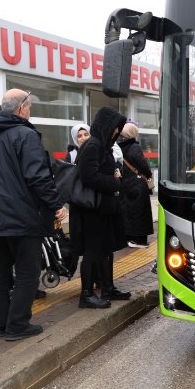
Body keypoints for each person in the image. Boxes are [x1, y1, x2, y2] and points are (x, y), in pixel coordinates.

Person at [0, 89, 66, 341]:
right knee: (27, 272)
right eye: (29, 107)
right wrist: (56, 204)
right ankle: (18, 324)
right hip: (21, 218)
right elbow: (38, 177)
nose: (30, 111)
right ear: (21, 108)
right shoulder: (25, 135)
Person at [72, 107, 128, 308]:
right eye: (115, 127)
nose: (117, 131)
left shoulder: (101, 145)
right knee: (93, 250)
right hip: (93, 209)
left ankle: (107, 288)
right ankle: (86, 294)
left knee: (105, 249)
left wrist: (115, 173)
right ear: (107, 126)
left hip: (103, 207)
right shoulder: (93, 145)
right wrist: (114, 182)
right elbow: (88, 176)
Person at [117, 122, 154, 248]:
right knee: (140, 212)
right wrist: (148, 174)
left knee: (128, 212)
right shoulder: (134, 147)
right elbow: (143, 164)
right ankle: (139, 240)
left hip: (125, 184)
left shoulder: (119, 147)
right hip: (138, 185)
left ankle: (129, 238)